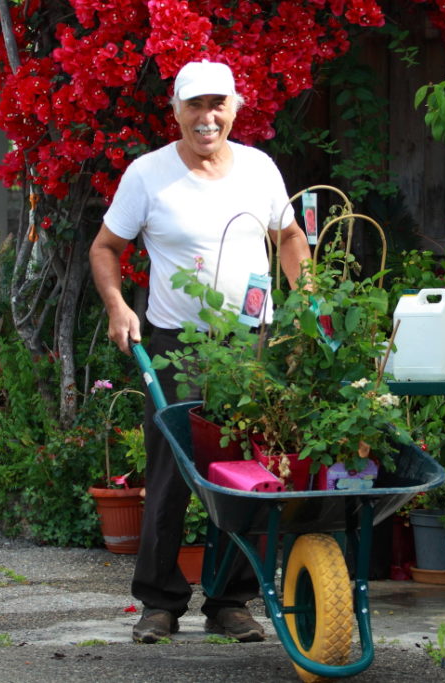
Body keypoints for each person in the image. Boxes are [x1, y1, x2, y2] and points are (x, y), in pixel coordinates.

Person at [89, 60, 312, 644]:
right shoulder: (148, 175)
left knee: (252, 473)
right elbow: (106, 247)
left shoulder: (260, 169)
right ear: (176, 110)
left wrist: (307, 298)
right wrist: (118, 306)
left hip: (249, 344)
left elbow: (287, 235)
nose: (206, 118)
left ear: (235, 108)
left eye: (218, 105)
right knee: (172, 474)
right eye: (195, 105)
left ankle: (231, 601)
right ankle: (160, 602)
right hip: (177, 346)